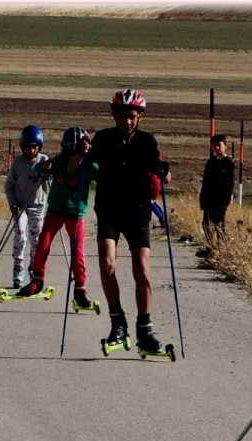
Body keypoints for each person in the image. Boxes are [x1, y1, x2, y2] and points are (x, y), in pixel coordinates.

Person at [88, 88, 171, 354]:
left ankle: (145, 330)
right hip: (109, 209)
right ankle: (118, 323)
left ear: (140, 117)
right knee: (107, 264)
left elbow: (159, 168)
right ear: (114, 115)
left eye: (132, 116)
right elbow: (87, 165)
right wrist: (82, 156)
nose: (128, 121)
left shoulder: (147, 141)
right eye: (123, 116)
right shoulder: (103, 139)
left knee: (142, 269)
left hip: (137, 211)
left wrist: (163, 170)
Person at [16, 125, 98, 311]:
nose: (69, 154)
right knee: (43, 246)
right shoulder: (59, 161)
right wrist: (44, 167)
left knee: (77, 252)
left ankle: (80, 288)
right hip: (55, 212)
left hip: (75, 215)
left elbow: (102, 175)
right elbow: (42, 167)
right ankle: (37, 280)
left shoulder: (89, 165)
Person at [5, 125, 49, 288]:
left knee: (36, 240)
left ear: (39, 147)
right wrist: (12, 204)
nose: (30, 150)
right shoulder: (18, 163)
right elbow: (9, 185)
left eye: (34, 147)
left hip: (37, 206)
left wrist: (47, 175)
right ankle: (18, 269)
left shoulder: (44, 161)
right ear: (22, 147)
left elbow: (48, 188)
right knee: (20, 234)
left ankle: (33, 270)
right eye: (27, 147)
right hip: (20, 206)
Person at [197, 134, 235, 258]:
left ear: (225, 146)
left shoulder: (228, 162)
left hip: (221, 199)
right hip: (209, 198)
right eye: (214, 145)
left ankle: (221, 248)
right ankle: (210, 246)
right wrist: (202, 198)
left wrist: (226, 200)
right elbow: (205, 181)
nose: (217, 148)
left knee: (219, 223)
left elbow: (229, 183)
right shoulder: (211, 162)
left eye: (219, 145)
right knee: (206, 223)